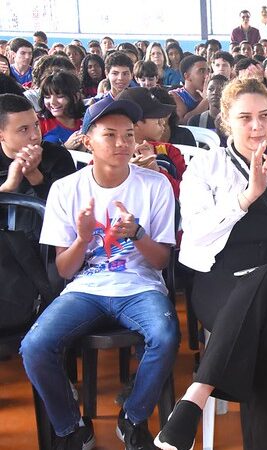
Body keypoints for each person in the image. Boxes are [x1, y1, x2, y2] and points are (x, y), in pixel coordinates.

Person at [153, 77, 267, 450]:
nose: (257, 126)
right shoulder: (206, 167)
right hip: (221, 283)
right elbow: (196, 233)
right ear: (226, 121)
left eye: (264, 116)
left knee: (265, 281)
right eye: (245, 118)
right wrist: (247, 196)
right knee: (260, 326)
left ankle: (198, 391)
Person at [20, 95, 179, 450]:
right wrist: (81, 238)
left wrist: (137, 234)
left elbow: (160, 262)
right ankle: (72, 428)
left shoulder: (156, 185)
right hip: (85, 288)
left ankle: (133, 416)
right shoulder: (66, 189)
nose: (122, 143)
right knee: (34, 346)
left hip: (140, 287)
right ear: (87, 140)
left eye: (129, 134)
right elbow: (65, 269)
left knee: (165, 336)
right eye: (110, 135)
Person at [1, 93, 75, 198]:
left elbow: (68, 203)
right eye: (24, 129)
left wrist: (34, 176)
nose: (35, 135)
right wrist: (8, 187)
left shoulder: (58, 156)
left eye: (36, 125)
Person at [117, 87, 187, 197]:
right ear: (135, 123)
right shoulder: (108, 156)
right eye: (157, 117)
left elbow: (186, 193)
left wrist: (156, 170)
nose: (162, 122)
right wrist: (124, 171)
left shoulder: (169, 151)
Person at [37, 72, 86, 149]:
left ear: (76, 97)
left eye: (60, 96)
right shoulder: (38, 122)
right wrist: (65, 148)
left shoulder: (86, 122)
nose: (52, 102)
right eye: (47, 97)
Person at [187, 74, 229, 145]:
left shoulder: (233, 121)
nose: (215, 92)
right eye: (211, 89)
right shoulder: (195, 121)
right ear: (206, 92)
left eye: (221, 89)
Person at [169, 55, 209, 124]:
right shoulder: (174, 95)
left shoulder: (214, 93)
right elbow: (182, 122)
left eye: (208, 71)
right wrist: (206, 100)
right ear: (187, 76)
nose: (207, 75)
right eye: (201, 71)